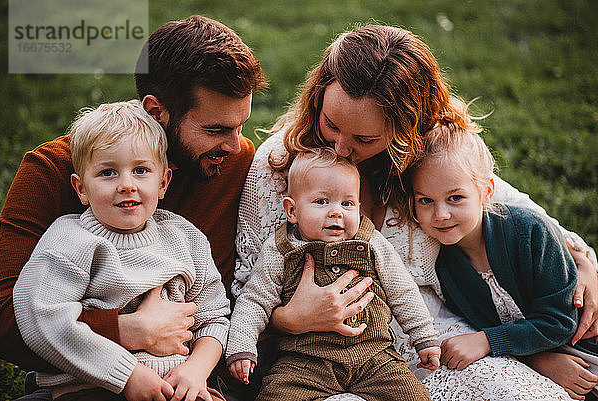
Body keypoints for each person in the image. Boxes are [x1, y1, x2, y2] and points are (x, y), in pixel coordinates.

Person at [234, 24, 598, 400]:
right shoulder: (279, 167)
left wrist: (583, 260)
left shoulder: (428, 159)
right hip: (310, 363)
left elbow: (509, 208)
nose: (341, 148)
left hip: (429, 349)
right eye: (331, 124)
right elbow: (246, 288)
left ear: (406, 131)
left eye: (365, 139)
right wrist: (289, 320)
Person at [0, 14, 266, 399]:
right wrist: (131, 329)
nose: (234, 144)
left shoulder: (229, 162)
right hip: (85, 381)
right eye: (216, 130)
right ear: (157, 112)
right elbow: (6, 320)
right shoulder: (53, 171)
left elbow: (217, 301)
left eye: (240, 126)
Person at [13, 100, 230, 401]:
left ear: (163, 181)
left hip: (180, 385)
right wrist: (127, 375)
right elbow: (42, 316)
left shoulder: (184, 237)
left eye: (141, 170)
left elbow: (214, 316)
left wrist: (196, 369)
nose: (126, 185)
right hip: (93, 387)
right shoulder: (70, 240)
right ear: (81, 189)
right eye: (107, 173)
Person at [227, 148, 440, 401]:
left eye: (347, 203)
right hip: (304, 363)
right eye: (322, 201)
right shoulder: (280, 249)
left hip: (373, 357)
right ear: (292, 210)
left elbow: (402, 290)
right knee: (274, 395)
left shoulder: (371, 242)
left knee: (413, 396)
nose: (337, 212)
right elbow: (254, 301)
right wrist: (241, 348)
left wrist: (424, 337)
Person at [407, 123, 581, 369]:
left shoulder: (530, 232)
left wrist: (488, 340)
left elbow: (560, 320)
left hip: (585, 343)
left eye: (455, 198)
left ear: (486, 192)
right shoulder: (443, 264)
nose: (441, 214)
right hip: (539, 357)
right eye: (426, 200)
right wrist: (538, 362)